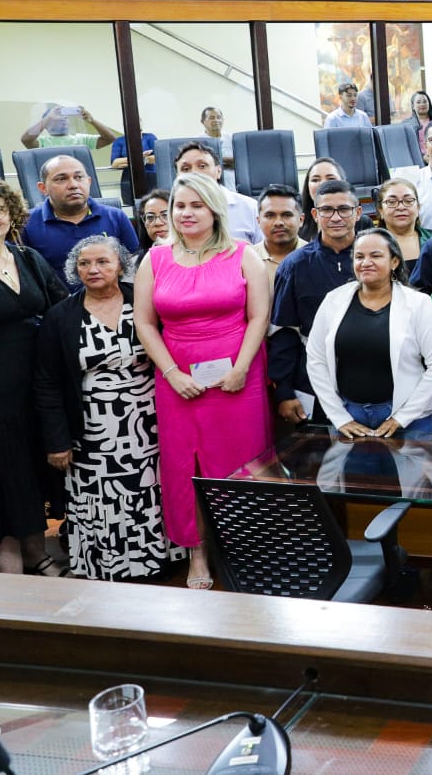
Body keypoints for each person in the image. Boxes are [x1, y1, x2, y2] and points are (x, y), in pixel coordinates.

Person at [133, 172, 271, 589]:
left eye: (196, 205)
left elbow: (259, 316)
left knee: (242, 464)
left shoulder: (244, 255)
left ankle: (248, 549)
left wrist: (242, 367)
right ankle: (198, 555)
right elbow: (144, 322)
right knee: (186, 466)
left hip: (237, 378)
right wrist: (171, 373)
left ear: (214, 209)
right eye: (180, 205)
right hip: (179, 383)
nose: (186, 213)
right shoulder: (154, 259)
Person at [37, 235, 179, 581]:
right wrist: (57, 441)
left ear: (121, 265)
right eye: (84, 264)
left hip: (150, 420)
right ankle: (111, 565)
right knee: (103, 498)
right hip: (92, 429)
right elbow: (47, 383)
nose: (93, 269)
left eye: (102, 261)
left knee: (152, 489)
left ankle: (159, 560)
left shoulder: (145, 304)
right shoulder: (60, 317)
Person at [0, 176, 67, 576]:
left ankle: (38, 553)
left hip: (35, 392)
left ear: (11, 213)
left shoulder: (28, 258)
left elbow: (62, 311)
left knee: (30, 477)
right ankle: (7, 566)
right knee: (0, 483)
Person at [306, 228, 432, 441]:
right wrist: (339, 416)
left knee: (411, 475)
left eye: (376, 255)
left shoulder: (419, 304)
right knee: (357, 476)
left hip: (410, 421)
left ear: (394, 262)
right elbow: (315, 359)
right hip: (349, 417)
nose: (366, 262)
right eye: (359, 256)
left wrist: (402, 417)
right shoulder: (333, 301)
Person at [269, 178, 361, 428]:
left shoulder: (375, 258)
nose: (336, 217)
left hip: (371, 380)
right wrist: (284, 392)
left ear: (358, 212)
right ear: (314, 214)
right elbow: (283, 334)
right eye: (326, 210)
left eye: (344, 209)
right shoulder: (295, 266)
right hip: (313, 378)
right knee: (318, 461)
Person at [21, 155, 140, 286]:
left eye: (79, 177)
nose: (73, 185)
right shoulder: (26, 223)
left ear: (89, 181)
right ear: (43, 188)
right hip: (56, 304)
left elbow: (133, 265)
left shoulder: (115, 216)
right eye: (61, 179)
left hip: (113, 300)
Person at [173, 141, 262, 244]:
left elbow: (265, 254)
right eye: (186, 169)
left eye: (202, 166)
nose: (194, 173)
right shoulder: (170, 211)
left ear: (218, 171)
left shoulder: (249, 207)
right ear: (177, 177)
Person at [375, 177, 432, 279]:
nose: (401, 207)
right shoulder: (369, 244)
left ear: (418, 207)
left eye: (408, 201)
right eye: (392, 202)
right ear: (380, 210)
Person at [251, 183, 304, 276]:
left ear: (301, 219)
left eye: (287, 215)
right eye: (270, 215)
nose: (278, 222)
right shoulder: (247, 260)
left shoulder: (318, 257)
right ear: (258, 221)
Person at [20, 103, 118, 151]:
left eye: (65, 117)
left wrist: (92, 121)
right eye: (58, 117)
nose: (63, 119)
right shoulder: (42, 142)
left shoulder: (81, 139)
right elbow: (25, 139)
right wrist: (48, 117)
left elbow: (110, 138)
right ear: (46, 125)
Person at [298, 158, 346, 241]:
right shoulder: (298, 224)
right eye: (315, 180)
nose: (322, 184)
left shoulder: (362, 223)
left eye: (331, 178)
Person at [108, 125, 157, 205]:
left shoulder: (150, 137)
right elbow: (115, 163)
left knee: (152, 203)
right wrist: (140, 157)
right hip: (129, 178)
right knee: (131, 206)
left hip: (150, 176)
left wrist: (130, 160)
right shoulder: (119, 141)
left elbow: (156, 157)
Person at [134, 189, 170, 255]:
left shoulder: (193, 256)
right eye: (150, 217)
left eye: (165, 215)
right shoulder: (138, 262)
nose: (158, 223)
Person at [405, 90, 432, 157]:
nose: (422, 104)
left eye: (425, 101)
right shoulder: (407, 125)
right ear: (413, 106)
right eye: (418, 102)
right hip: (416, 158)